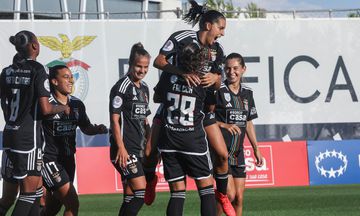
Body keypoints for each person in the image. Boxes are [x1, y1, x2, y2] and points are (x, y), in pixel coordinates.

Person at [149, 1, 235, 215]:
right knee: (149, 151)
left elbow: (217, 83)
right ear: (208, 25)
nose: (223, 33)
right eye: (221, 28)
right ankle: (150, 176)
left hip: (199, 109)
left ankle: (222, 195)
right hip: (179, 109)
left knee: (223, 155)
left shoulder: (218, 50)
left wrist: (216, 77)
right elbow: (159, 61)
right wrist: (181, 74)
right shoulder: (182, 38)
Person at [0, 30, 70, 216]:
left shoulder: (6, 71)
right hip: (27, 140)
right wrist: (63, 108)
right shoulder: (39, 70)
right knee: (29, 194)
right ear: (34, 46)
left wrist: (12, 121)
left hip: (9, 135)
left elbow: (4, 103)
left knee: (37, 191)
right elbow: (46, 109)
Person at [154, 42, 217, 216]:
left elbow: (157, 96)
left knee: (177, 192)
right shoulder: (202, 80)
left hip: (169, 140)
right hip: (193, 141)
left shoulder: (168, 76)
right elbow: (211, 107)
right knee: (206, 189)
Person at [40, 65, 108, 216]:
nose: (71, 80)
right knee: (72, 202)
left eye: (71, 77)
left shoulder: (77, 104)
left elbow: (85, 127)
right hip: (49, 160)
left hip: (69, 160)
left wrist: (96, 130)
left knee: (52, 209)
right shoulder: (45, 104)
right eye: (65, 77)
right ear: (54, 81)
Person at [214, 53, 263, 216]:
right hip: (221, 153)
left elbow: (248, 122)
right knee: (229, 194)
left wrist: (256, 148)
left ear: (243, 69)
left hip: (238, 153)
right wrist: (223, 125)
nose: (231, 72)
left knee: (239, 199)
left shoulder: (247, 93)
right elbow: (205, 118)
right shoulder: (218, 90)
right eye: (227, 68)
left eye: (235, 68)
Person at [109, 43, 151, 216]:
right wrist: (121, 148)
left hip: (140, 149)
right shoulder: (121, 87)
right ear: (131, 64)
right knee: (141, 192)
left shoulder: (144, 88)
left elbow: (145, 121)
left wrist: (151, 145)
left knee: (130, 195)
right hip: (126, 149)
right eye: (139, 66)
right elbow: (114, 119)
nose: (142, 70)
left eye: (146, 67)